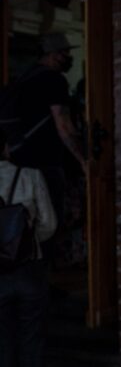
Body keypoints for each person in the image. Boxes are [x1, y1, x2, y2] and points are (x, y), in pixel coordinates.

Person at [10, 32, 87, 259]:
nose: (68, 57)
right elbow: (63, 124)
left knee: (26, 222)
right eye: (65, 53)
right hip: (46, 162)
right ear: (54, 55)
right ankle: (41, 282)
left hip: (19, 162)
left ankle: (27, 279)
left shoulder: (24, 78)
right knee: (50, 222)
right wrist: (83, 159)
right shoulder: (53, 80)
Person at [0, 128, 57, 367]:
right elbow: (49, 225)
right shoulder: (30, 176)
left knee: (1, 346)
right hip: (28, 270)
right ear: (6, 147)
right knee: (32, 343)